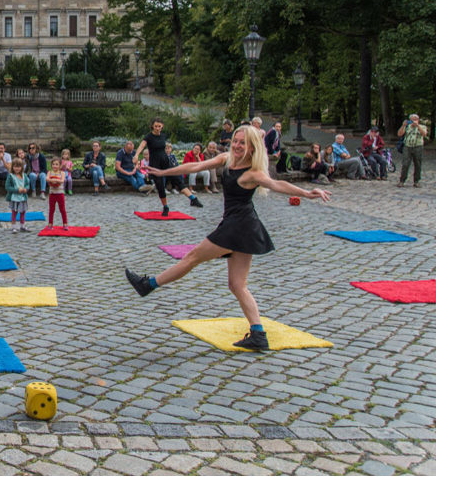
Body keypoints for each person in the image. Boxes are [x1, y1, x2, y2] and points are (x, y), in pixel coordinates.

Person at [123, 125, 333, 351]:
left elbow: (276, 184)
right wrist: (164, 173)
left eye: (243, 143)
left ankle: (148, 285)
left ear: (252, 147)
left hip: (238, 226)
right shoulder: (227, 158)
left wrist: (306, 193)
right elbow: (196, 165)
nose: (237, 145)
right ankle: (258, 334)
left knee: (192, 257)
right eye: (235, 141)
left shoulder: (253, 172)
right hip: (243, 226)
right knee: (237, 285)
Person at [131, 119, 204, 216]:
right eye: (156, 126)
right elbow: (142, 145)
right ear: (152, 126)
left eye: (159, 126)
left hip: (165, 161)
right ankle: (165, 207)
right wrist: (136, 155)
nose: (157, 128)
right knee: (160, 186)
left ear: (162, 126)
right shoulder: (148, 137)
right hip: (155, 164)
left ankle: (193, 199)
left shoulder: (163, 136)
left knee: (177, 179)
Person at [398, 114, 430, 187]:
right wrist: (403, 125)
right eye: (412, 119)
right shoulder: (407, 127)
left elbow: (424, 134)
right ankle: (402, 180)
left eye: (415, 119)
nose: (413, 121)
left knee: (418, 164)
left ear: (418, 120)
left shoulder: (422, 127)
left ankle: (416, 181)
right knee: (405, 164)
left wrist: (417, 126)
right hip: (407, 146)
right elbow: (399, 134)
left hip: (418, 147)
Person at [6, 151, 31, 232]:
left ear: (22, 167)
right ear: (12, 167)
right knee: (14, 212)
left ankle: (22, 225)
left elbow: (27, 184)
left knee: (23, 212)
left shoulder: (25, 176)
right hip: (14, 198)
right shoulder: (11, 176)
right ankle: (13, 226)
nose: (17, 168)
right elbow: (7, 187)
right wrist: (17, 190)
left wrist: (26, 189)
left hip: (23, 197)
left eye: (19, 167)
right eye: (15, 167)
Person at [45, 159, 68, 227]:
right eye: (53, 164)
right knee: (51, 209)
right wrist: (53, 180)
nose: (54, 166)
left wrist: (55, 180)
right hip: (52, 193)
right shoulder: (49, 172)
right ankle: (50, 223)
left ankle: (65, 223)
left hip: (60, 193)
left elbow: (62, 180)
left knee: (62, 209)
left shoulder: (62, 173)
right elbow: (47, 179)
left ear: (60, 165)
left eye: (56, 164)